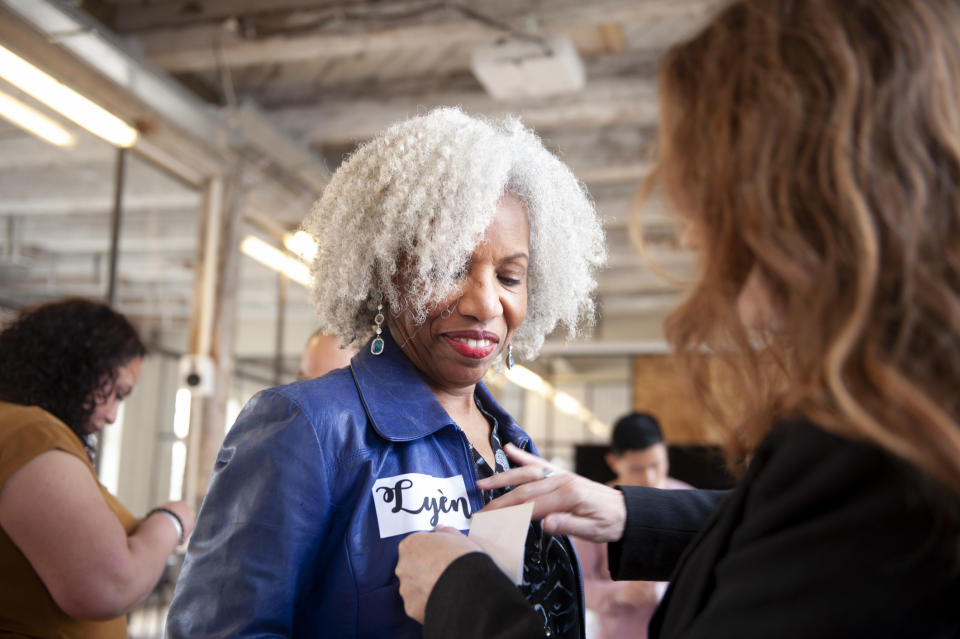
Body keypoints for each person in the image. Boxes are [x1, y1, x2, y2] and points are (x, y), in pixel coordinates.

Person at [394, 1, 960, 637]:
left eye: (709, 195)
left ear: (793, 195)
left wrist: (461, 596)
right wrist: (629, 515)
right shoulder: (900, 417)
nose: (694, 237)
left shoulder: (874, 453)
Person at [165, 107, 606, 638]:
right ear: (385, 273)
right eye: (448, 268)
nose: (486, 302)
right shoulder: (308, 428)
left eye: (510, 276)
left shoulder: (513, 445)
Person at [0, 298, 196, 638]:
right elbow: (109, 587)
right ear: (76, 368)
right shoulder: (32, 433)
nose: (111, 415)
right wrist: (172, 521)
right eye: (117, 393)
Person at [576, 413, 691, 639]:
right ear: (613, 462)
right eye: (637, 469)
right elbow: (575, 583)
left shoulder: (691, 502)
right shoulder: (594, 506)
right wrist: (619, 593)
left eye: (656, 465)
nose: (649, 479)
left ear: (666, 452)